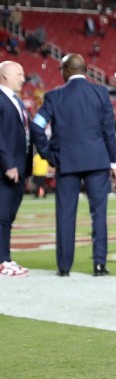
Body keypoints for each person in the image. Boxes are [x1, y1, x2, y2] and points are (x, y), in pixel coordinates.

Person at [32, 53, 116, 277]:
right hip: (97, 161)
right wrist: (114, 162)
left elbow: (36, 126)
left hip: (67, 162)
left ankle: (64, 266)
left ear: (66, 71)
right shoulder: (100, 93)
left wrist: (49, 155)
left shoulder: (54, 96)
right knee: (99, 214)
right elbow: (109, 131)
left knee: (65, 215)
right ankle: (99, 265)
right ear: (85, 70)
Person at [0, 61, 32, 277]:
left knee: (7, 216)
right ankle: (2, 260)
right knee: (2, 215)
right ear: (4, 75)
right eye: (18, 73)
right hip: (6, 168)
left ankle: (5, 257)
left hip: (19, 168)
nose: (23, 78)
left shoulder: (15, 100)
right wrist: (8, 163)